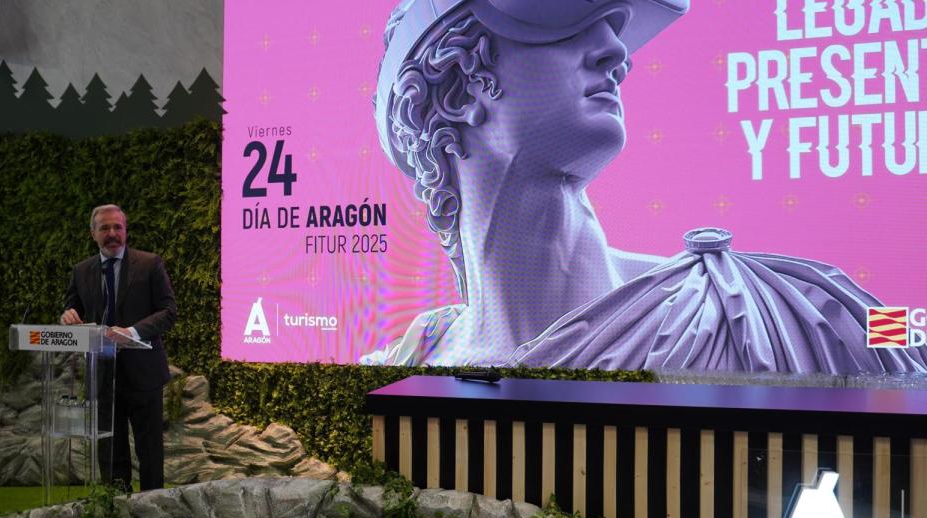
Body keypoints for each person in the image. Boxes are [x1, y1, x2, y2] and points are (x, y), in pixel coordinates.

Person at [366, 0, 927, 375]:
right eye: (562, 23)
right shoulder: (410, 362)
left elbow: (898, 333)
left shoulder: (777, 305)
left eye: (615, 28)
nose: (616, 54)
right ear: (459, 92)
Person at [61, 204, 176, 491]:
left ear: (125, 231)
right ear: (93, 234)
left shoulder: (150, 264)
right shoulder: (82, 271)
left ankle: (154, 509)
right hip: (102, 374)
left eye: (117, 227)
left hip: (144, 375)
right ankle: (115, 511)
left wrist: (133, 332)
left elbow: (168, 311)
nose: (112, 234)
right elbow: (72, 305)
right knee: (110, 451)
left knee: (149, 451)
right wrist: (67, 315)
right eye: (105, 228)